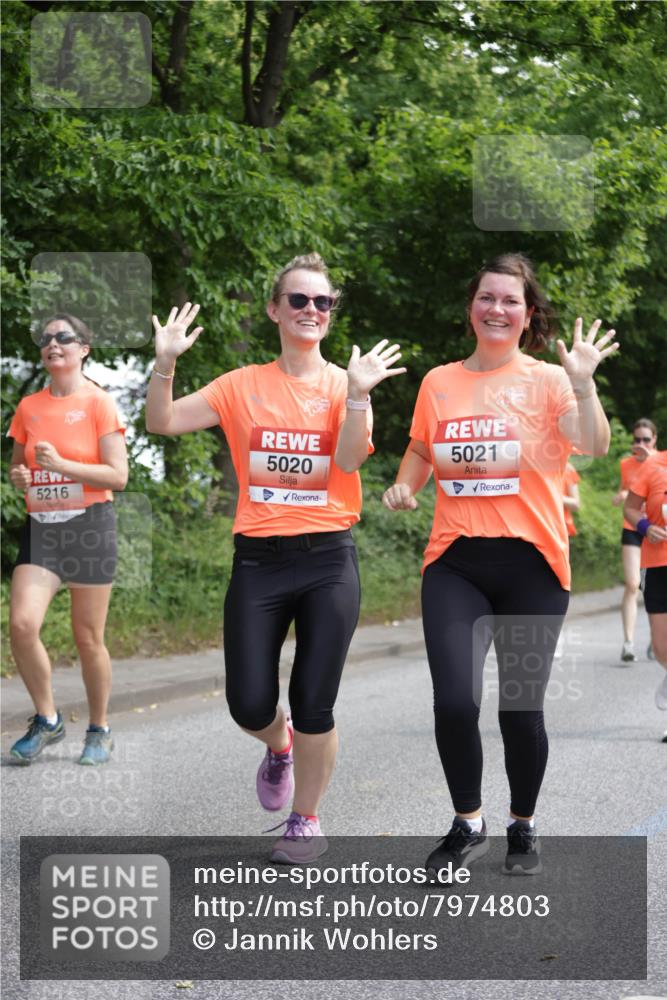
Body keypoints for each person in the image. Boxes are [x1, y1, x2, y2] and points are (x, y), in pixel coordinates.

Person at [146, 253, 405, 863]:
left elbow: (346, 463)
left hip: (328, 560)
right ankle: (277, 744)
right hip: (259, 561)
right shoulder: (241, 385)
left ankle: (306, 819)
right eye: (298, 301)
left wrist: (360, 395)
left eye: (323, 303)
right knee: (249, 702)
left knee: (316, 699)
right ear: (274, 309)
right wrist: (164, 363)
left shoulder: (348, 383)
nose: (311, 311)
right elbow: (161, 422)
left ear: (331, 314)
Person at [383, 253, 617, 876]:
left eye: (511, 300)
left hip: (533, 567)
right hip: (455, 563)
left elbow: (593, 444)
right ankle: (467, 823)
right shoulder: (439, 382)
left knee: (519, 710)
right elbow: (420, 448)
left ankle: (523, 823)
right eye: (487, 297)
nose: (497, 308)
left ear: (528, 313)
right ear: (471, 307)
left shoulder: (548, 380)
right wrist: (407, 484)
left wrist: (585, 381)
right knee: (455, 701)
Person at [8, 314, 127, 765]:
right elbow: (19, 471)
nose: (53, 343)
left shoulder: (99, 403)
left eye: (64, 337)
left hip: (90, 527)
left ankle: (99, 727)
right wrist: (21, 475)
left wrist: (62, 465)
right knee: (22, 625)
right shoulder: (29, 407)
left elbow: (118, 474)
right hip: (43, 529)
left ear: (84, 349)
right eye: (46, 338)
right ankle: (48, 718)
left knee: (87, 637)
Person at [624, 449, 667, 742]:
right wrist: (645, 527)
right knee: (661, 645)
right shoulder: (653, 464)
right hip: (657, 563)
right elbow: (630, 508)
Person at [612, 419, 658, 662]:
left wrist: (650, 459)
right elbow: (626, 490)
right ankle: (628, 643)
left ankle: (658, 637)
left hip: (657, 531)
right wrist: (621, 495)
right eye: (636, 440)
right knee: (632, 584)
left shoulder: (661, 461)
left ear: (655, 440)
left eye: (645, 439)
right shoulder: (625, 464)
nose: (640, 444)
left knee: (654, 587)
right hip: (632, 527)